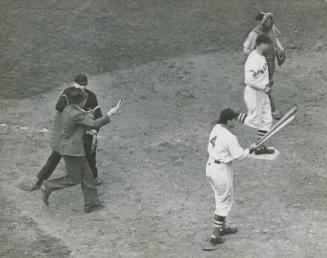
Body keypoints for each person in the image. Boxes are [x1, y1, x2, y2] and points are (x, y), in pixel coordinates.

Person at [41, 88, 121, 213]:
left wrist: (89, 113)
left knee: (88, 175)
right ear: (81, 102)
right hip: (71, 151)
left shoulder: (70, 109)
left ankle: (91, 204)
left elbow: (84, 116)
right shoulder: (76, 114)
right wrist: (110, 113)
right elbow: (93, 124)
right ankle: (48, 186)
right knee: (74, 179)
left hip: (75, 149)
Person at [30, 74, 102, 191]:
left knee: (90, 154)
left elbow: (98, 116)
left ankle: (94, 177)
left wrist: (94, 133)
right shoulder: (68, 93)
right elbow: (59, 106)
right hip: (69, 133)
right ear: (74, 84)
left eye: (84, 85)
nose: (82, 88)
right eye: (80, 85)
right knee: (56, 154)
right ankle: (40, 180)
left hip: (84, 132)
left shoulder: (91, 96)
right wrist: (78, 113)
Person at [206, 108, 257, 245]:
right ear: (228, 121)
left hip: (210, 167)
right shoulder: (229, 137)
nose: (235, 122)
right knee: (224, 201)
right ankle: (215, 235)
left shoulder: (216, 127)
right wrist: (251, 149)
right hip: (221, 170)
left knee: (220, 198)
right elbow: (239, 156)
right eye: (233, 119)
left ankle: (222, 228)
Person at [243, 11, 286, 120]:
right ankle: (273, 110)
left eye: (270, 20)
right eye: (266, 20)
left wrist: (281, 49)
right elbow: (246, 49)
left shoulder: (272, 28)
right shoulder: (255, 33)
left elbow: (275, 38)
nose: (269, 22)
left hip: (270, 60)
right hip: (261, 64)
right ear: (261, 21)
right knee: (266, 85)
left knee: (268, 82)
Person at [238, 34, 275, 155]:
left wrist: (267, 83)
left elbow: (260, 76)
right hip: (253, 93)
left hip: (262, 93)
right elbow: (248, 80)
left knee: (267, 120)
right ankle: (232, 116)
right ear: (262, 44)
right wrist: (263, 87)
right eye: (268, 44)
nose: (269, 47)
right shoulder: (253, 58)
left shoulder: (261, 56)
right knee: (254, 120)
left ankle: (260, 145)